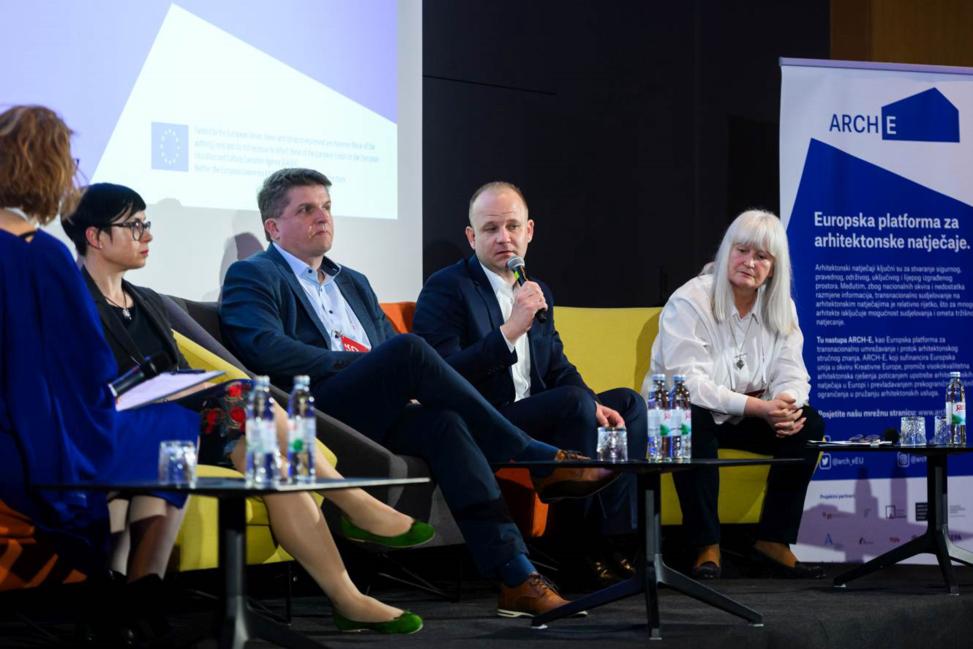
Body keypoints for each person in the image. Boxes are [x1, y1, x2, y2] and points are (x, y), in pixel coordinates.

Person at [220, 167, 616, 618]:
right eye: (306, 209)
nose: (323, 217)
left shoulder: (353, 281)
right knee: (410, 350)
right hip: (316, 409)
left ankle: (515, 576)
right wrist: (368, 365)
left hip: (378, 409)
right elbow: (265, 348)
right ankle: (535, 456)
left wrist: (392, 374)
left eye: (326, 207)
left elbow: (391, 348)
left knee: (446, 423)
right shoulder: (253, 274)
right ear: (273, 227)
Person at [62, 182, 432, 634]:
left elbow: (178, 371)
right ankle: (354, 503)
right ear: (96, 237)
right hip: (121, 430)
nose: (148, 235)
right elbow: (77, 387)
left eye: (147, 223)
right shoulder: (70, 303)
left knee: (271, 460)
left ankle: (347, 597)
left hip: (184, 427)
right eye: (135, 226)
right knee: (242, 399)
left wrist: (184, 385)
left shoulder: (148, 302)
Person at [0, 105, 198, 644]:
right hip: (33, 443)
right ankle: (135, 589)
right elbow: (86, 369)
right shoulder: (40, 254)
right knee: (173, 425)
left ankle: (118, 588)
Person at [413, 181, 647, 584]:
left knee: (627, 405)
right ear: (471, 237)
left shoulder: (536, 291)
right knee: (572, 403)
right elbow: (442, 374)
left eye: (512, 227)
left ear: (529, 231)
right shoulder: (447, 288)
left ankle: (614, 540)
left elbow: (557, 366)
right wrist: (509, 331)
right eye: (490, 229)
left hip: (535, 413)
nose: (503, 238)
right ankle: (574, 552)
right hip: (485, 419)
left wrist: (594, 401)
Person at [646, 209, 824, 579]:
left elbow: (792, 370)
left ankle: (773, 540)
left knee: (808, 424)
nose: (749, 263)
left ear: (774, 268)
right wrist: (759, 407)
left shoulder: (781, 307)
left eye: (762, 256)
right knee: (689, 417)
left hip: (742, 414)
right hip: (675, 413)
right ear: (727, 250)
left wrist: (786, 403)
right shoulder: (690, 300)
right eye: (742, 250)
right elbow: (688, 383)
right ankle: (705, 545)